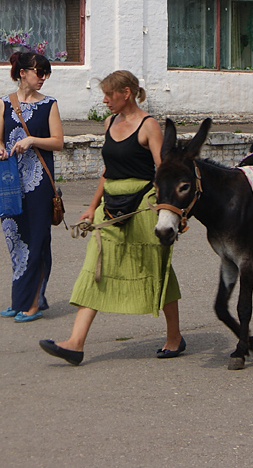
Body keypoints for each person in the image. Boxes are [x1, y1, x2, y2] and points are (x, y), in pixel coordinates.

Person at [40, 70, 183, 366]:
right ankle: (75, 344)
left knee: (156, 267)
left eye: (109, 94)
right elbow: (108, 170)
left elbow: (162, 170)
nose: (104, 100)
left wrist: (166, 208)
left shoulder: (149, 125)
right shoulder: (109, 123)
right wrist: (93, 207)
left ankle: (174, 337)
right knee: (97, 267)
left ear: (126, 93)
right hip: (110, 206)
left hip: (144, 204)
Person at [0, 51, 64, 322]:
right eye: (39, 72)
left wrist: (33, 140)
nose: (43, 78)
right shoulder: (4, 103)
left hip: (39, 184)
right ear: (23, 72)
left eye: (46, 73)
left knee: (36, 239)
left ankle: (32, 303)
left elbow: (58, 142)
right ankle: (20, 298)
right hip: (10, 182)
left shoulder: (49, 105)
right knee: (14, 239)